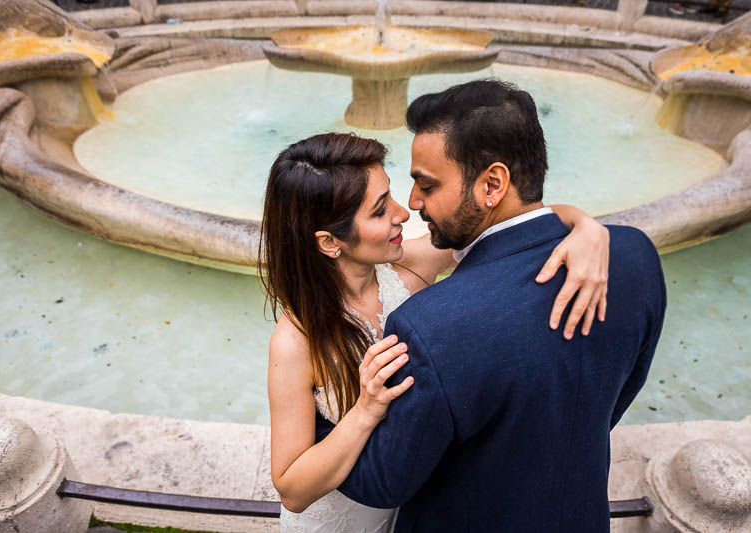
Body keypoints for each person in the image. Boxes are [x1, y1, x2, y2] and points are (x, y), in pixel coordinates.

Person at [329, 80, 667, 532]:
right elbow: (620, 393)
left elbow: (384, 482)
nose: (412, 204)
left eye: (426, 185)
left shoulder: (430, 326)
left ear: (493, 183)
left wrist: (319, 414)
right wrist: (578, 219)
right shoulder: (633, 257)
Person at [261, 128, 612, 532]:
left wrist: (587, 228)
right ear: (328, 242)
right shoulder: (295, 342)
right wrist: (365, 410)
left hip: (414, 511)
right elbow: (291, 489)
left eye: (390, 193)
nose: (403, 213)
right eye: (379, 211)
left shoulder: (410, 266)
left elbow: (512, 220)